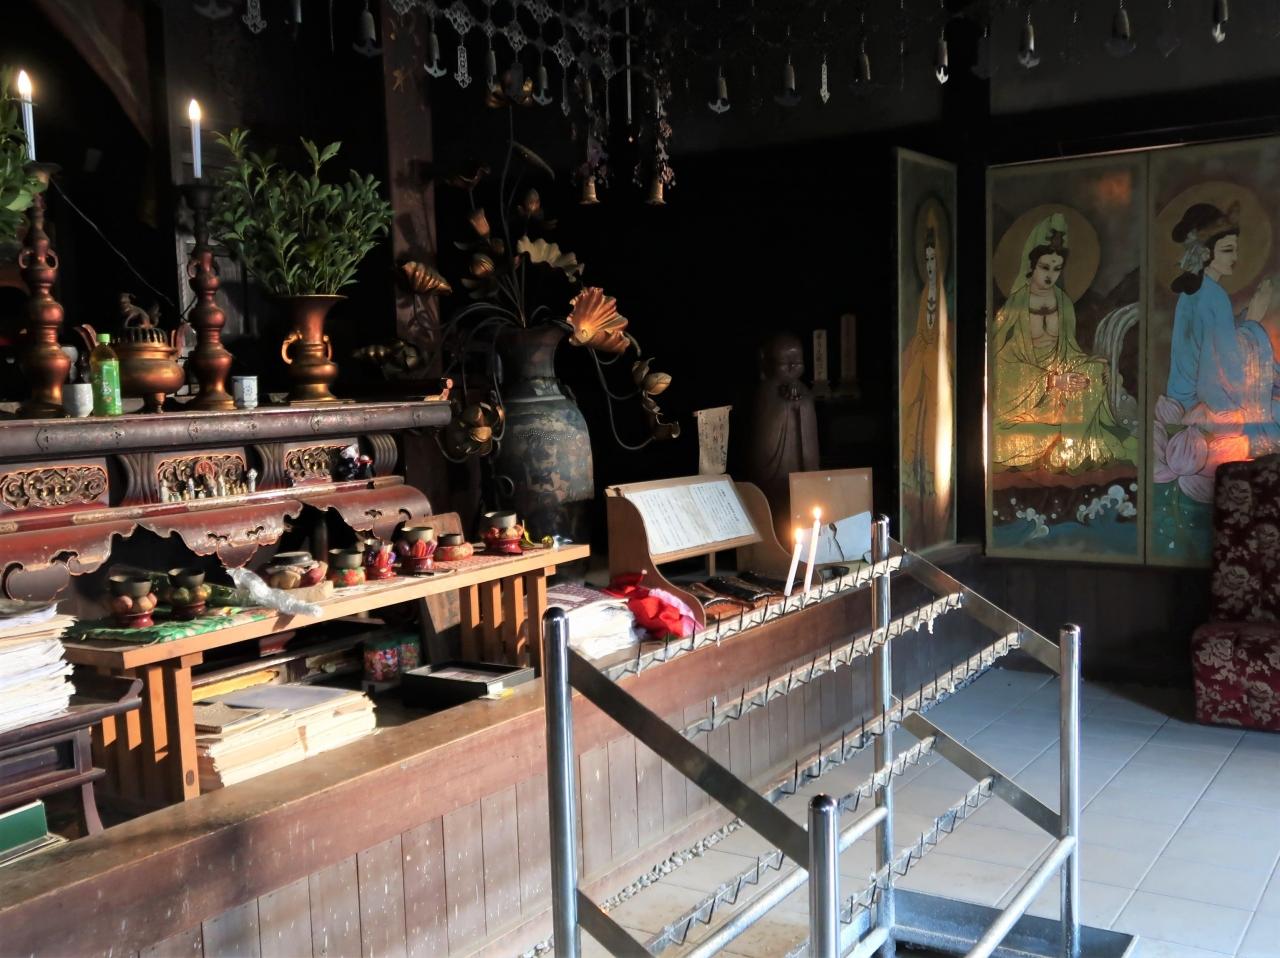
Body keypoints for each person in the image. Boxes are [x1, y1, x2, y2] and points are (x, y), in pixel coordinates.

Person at [992, 212, 1133, 473]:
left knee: (1095, 372)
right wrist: (1051, 381)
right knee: (1003, 439)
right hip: (1027, 396)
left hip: (1061, 387)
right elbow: (1000, 366)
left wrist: (1085, 365)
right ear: (1031, 266)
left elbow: (1068, 350)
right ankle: (1068, 440)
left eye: (1056, 269)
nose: (1050, 276)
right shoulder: (1014, 308)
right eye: (1044, 268)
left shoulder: (1063, 302)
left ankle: (1069, 447)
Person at [1164, 201, 1280, 458]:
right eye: (1227, 250)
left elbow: (1216, 342)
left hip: (1191, 399)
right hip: (1201, 405)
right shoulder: (1213, 296)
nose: (1235, 259)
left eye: (1235, 250)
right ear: (1206, 253)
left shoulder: (1197, 293)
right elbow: (1228, 369)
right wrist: (1253, 320)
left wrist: (1245, 317)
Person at [901, 217, 953, 547]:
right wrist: (919, 355)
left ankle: (936, 525)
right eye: (928, 261)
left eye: (936, 260)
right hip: (921, 382)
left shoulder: (944, 298)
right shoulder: (925, 297)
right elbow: (921, 336)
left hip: (938, 388)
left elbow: (945, 343)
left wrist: (936, 358)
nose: (932, 267)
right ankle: (917, 522)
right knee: (916, 451)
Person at [747, 332, 819, 531]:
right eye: (785, 362)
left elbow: (809, 440)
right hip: (773, 470)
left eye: (797, 362)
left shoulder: (805, 392)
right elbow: (764, 435)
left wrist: (801, 404)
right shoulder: (765, 391)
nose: (791, 366)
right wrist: (786, 405)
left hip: (797, 467)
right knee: (772, 506)